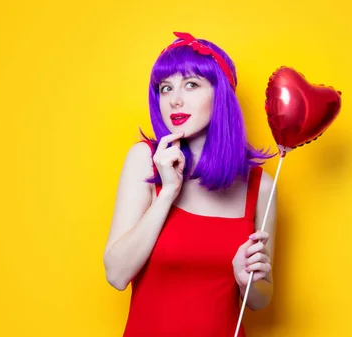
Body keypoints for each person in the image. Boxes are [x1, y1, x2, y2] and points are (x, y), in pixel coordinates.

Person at [103, 32, 279, 337]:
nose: (175, 100)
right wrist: (168, 192)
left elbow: (260, 300)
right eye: (165, 88)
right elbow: (117, 275)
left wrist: (245, 279)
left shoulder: (260, 186)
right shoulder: (144, 160)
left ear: (221, 95)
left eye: (191, 84)